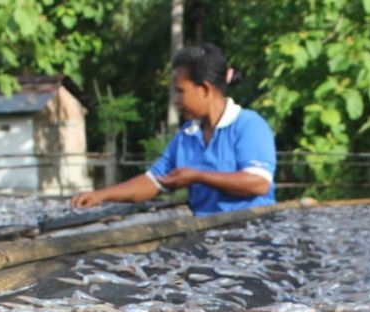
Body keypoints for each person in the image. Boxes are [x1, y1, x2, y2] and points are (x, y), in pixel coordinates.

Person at [71, 44, 276, 216]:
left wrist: (198, 176)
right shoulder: (187, 135)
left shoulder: (249, 125)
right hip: (209, 238)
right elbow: (154, 181)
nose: (176, 101)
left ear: (204, 89)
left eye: (180, 91)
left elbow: (258, 183)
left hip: (252, 236)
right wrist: (102, 195)